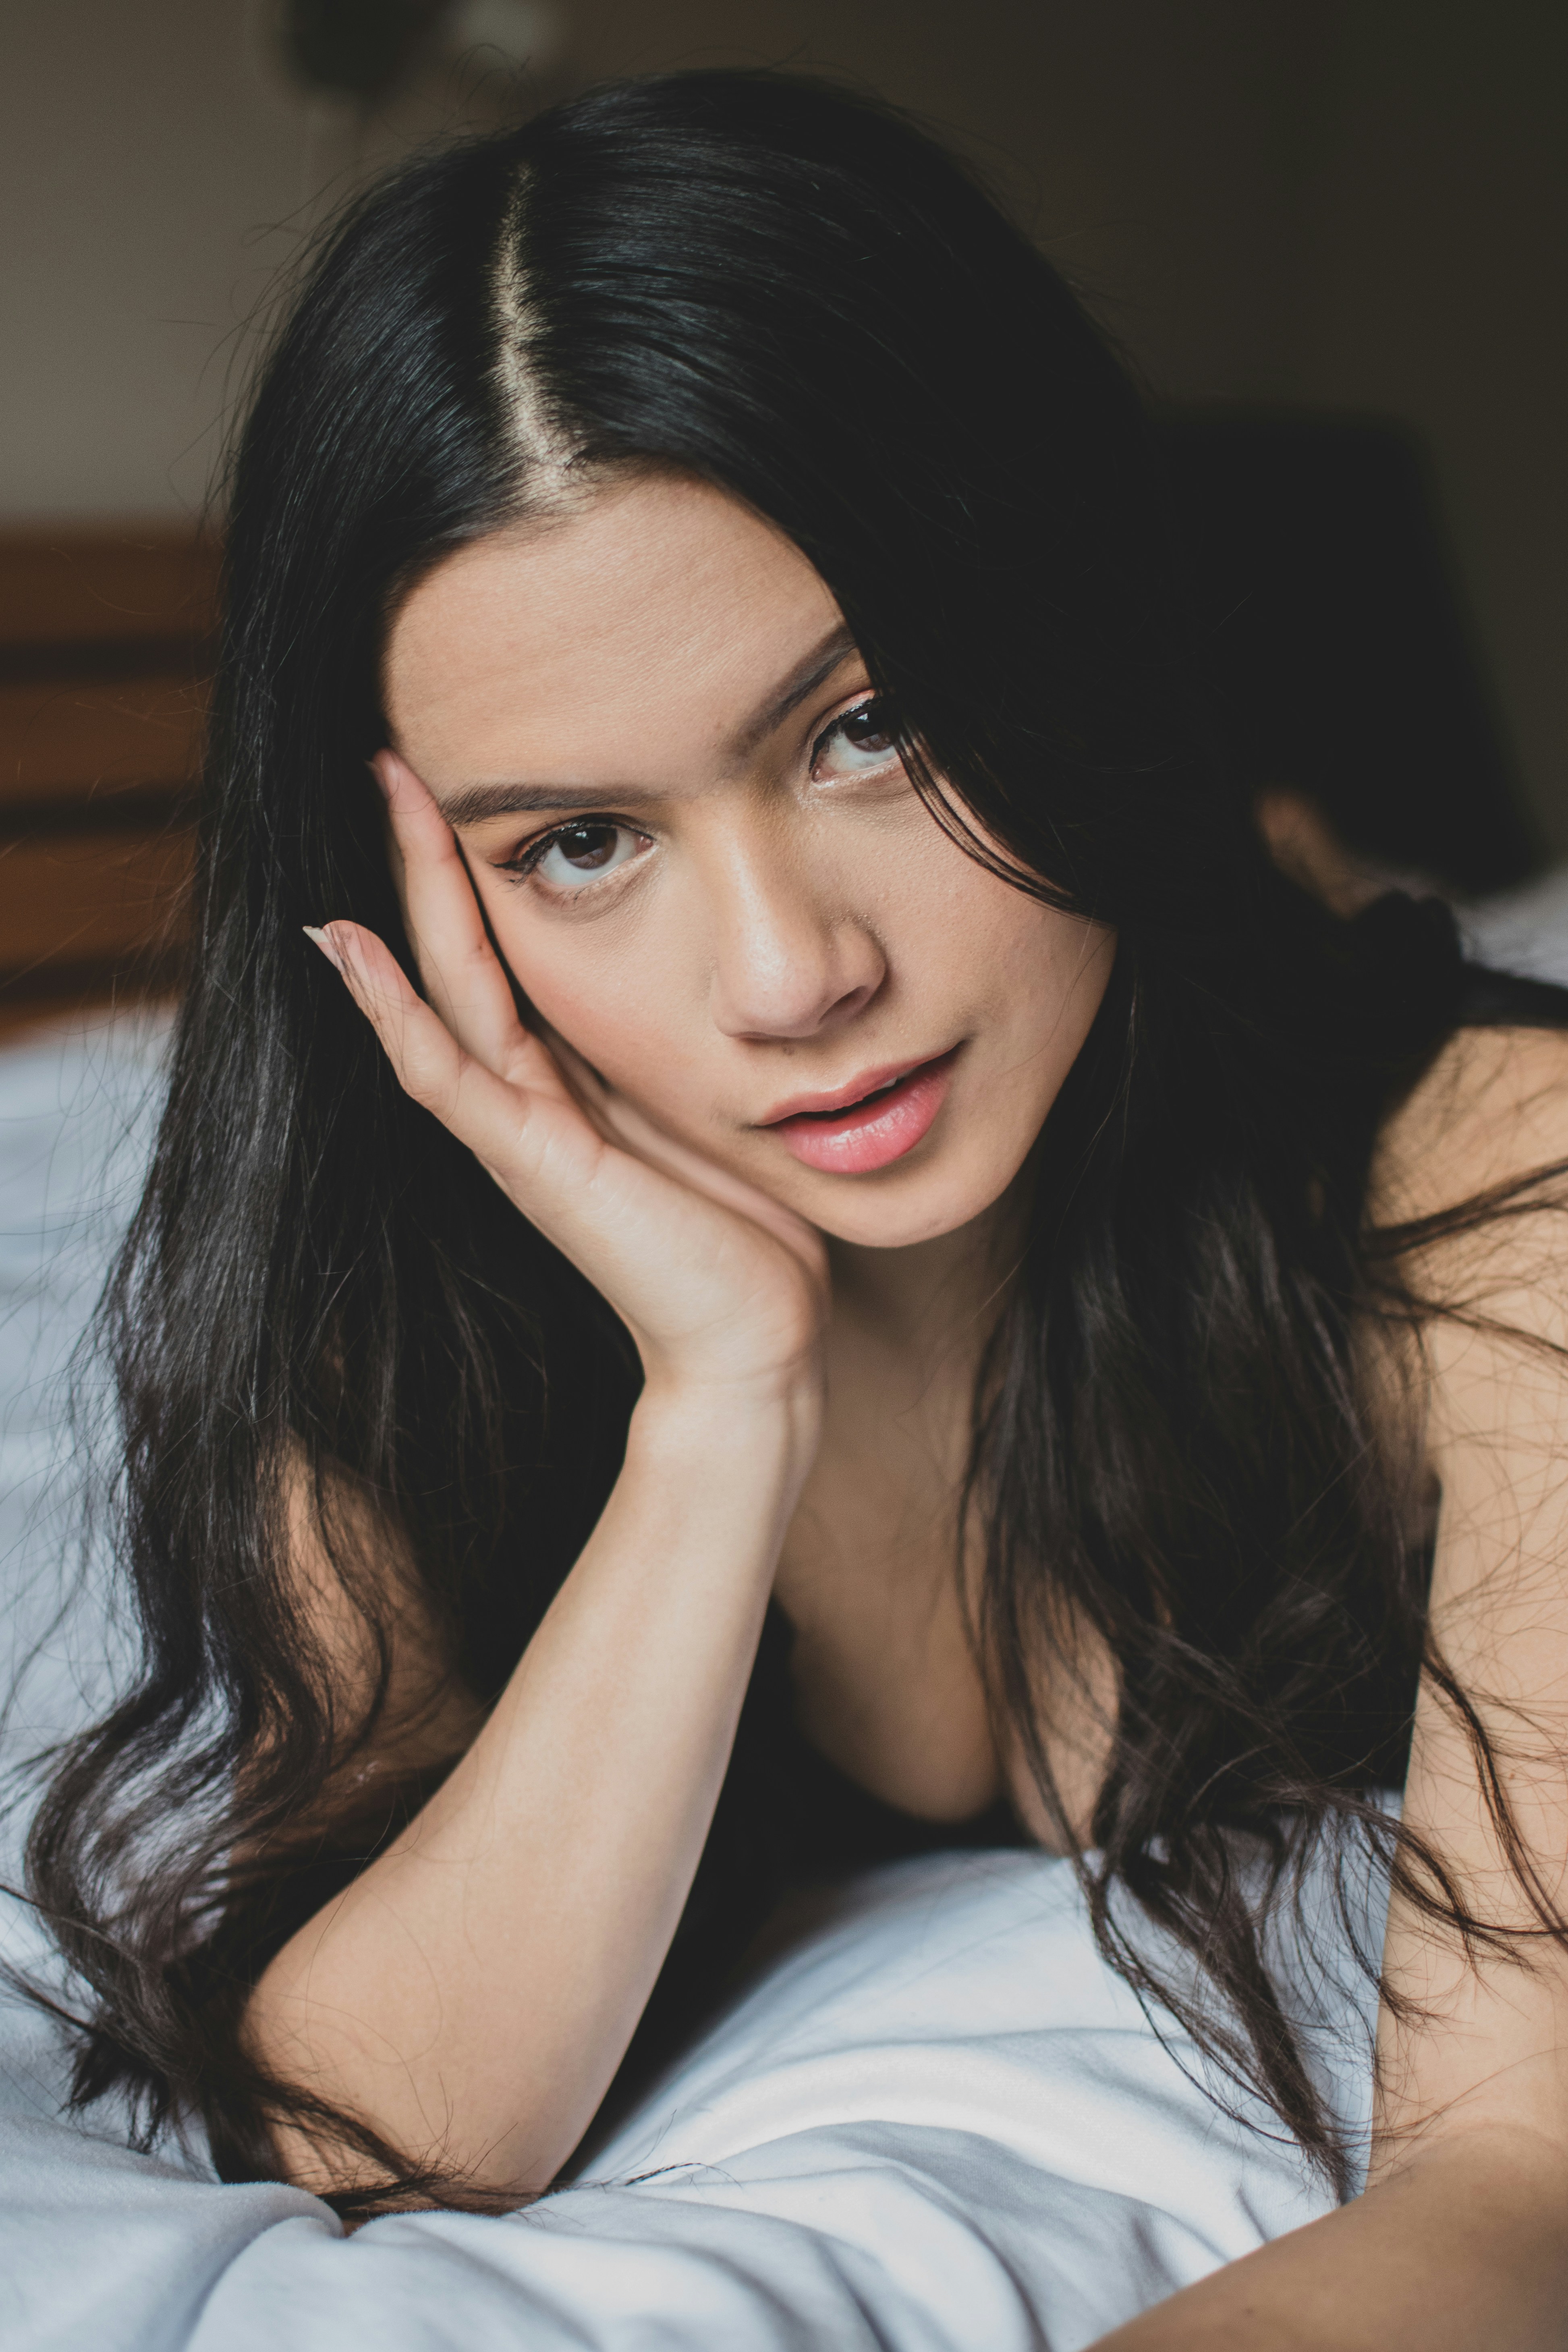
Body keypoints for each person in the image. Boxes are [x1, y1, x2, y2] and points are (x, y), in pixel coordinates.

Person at [23, 69, 1568, 2348]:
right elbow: (379, 2130)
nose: (789, 979)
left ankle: (1273, 856)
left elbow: (1519, 2192)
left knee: (1258, 921)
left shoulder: (1485, 1193)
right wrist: (714, 1402)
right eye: (579, 844)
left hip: (1268, 1024)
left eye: (868, 728)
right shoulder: (408, 1292)